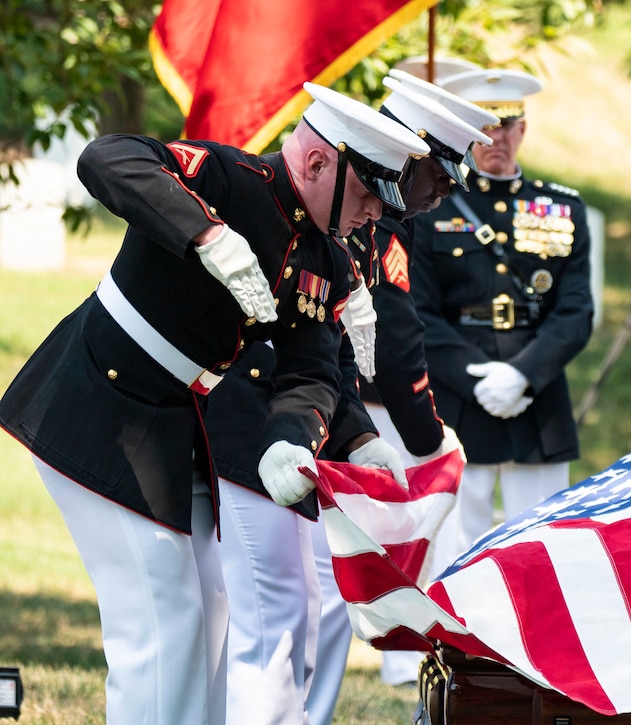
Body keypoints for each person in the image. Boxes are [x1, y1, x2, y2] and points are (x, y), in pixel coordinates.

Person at [0, 82, 429, 723]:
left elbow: (310, 373)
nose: (373, 215)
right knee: (162, 619)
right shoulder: (231, 180)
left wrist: (304, 440)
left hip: (174, 431)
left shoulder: (327, 257)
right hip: (98, 408)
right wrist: (203, 232)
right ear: (316, 165)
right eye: (367, 194)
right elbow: (106, 159)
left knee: (210, 615)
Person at [199, 80, 489, 725]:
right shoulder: (344, 221)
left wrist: (362, 433)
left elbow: (330, 355)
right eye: (429, 183)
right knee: (278, 609)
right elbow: (390, 348)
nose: (429, 203)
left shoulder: (362, 224)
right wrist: (424, 436)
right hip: (256, 420)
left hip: (309, 418)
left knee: (294, 606)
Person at [309, 65, 501, 697]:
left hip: (322, 404)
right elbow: (395, 336)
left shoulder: (386, 212)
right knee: (305, 599)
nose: (441, 197)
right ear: (405, 158)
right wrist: (429, 436)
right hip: (296, 409)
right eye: (438, 179)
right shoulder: (374, 211)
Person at [411, 67, 595, 577]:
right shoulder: (430, 209)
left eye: (507, 125)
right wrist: (475, 375)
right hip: (456, 395)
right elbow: (420, 314)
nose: (497, 138)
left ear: (523, 129)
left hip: (536, 397)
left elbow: (576, 310)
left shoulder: (561, 209)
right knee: (450, 554)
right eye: (485, 127)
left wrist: (522, 373)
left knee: (538, 554)